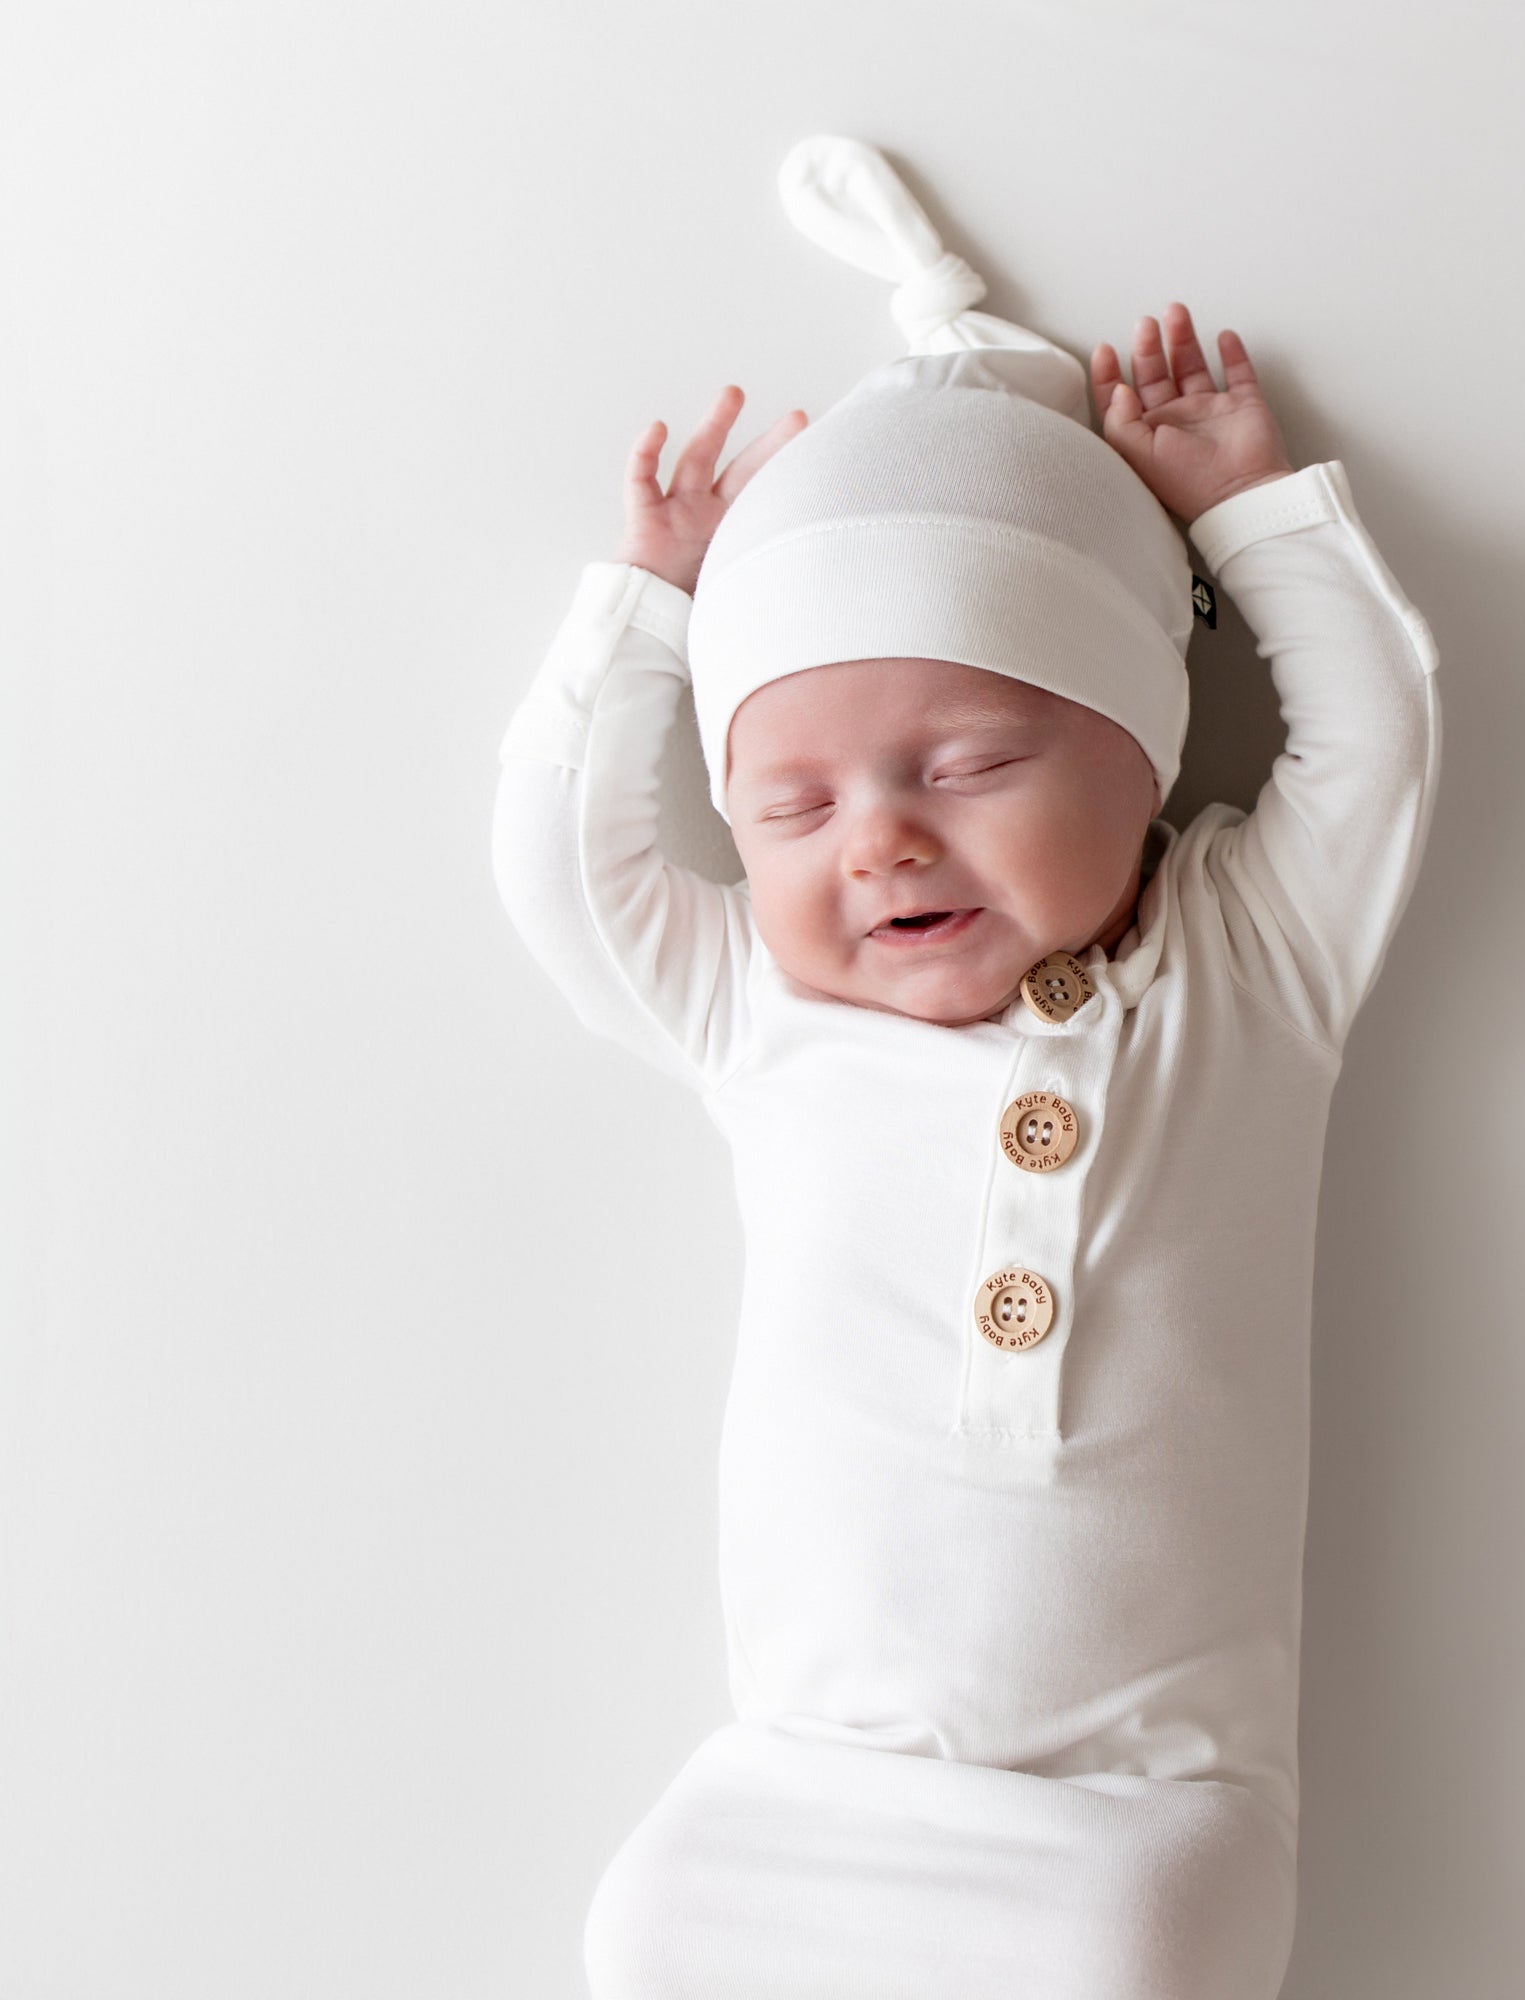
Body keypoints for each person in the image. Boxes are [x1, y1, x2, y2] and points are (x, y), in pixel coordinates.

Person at [491, 134, 1442, 2000]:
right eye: (798, 804)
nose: (882, 844)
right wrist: (648, 612)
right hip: (799, 1773)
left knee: (1131, 1961)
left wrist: (1253, 519)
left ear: (1141, 755)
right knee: (644, 1927)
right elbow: (567, 877)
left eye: (967, 766)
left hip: (1136, 1811)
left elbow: (1372, 742)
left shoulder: (1250, 973)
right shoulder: (764, 1020)